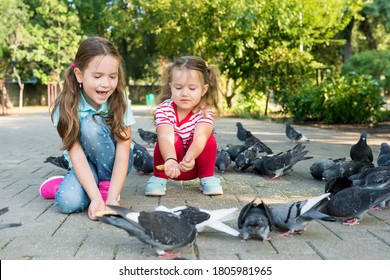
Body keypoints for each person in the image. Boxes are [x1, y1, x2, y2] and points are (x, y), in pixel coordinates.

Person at [39, 36, 135, 220]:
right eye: (98, 76)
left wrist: (112, 199)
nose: (106, 84)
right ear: (79, 75)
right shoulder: (65, 107)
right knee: (67, 203)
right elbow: (77, 155)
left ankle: (106, 186)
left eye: (112, 76)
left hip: (115, 160)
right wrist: (96, 198)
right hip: (84, 163)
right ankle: (67, 184)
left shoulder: (119, 99)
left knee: (92, 124)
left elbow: (123, 151)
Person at [145, 55, 223, 196]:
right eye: (179, 87)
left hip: (193, 164)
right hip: (168, 166)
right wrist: (170, 159)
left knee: (209, 139)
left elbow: (200, 136)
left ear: (203, 90)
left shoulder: (204, 112)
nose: (184, 93)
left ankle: (207, 178)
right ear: (171, 87)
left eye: (192, 88)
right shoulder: (164, 109)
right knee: (169, 138)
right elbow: (165, 136)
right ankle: (159, 178)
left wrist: (190, 157)